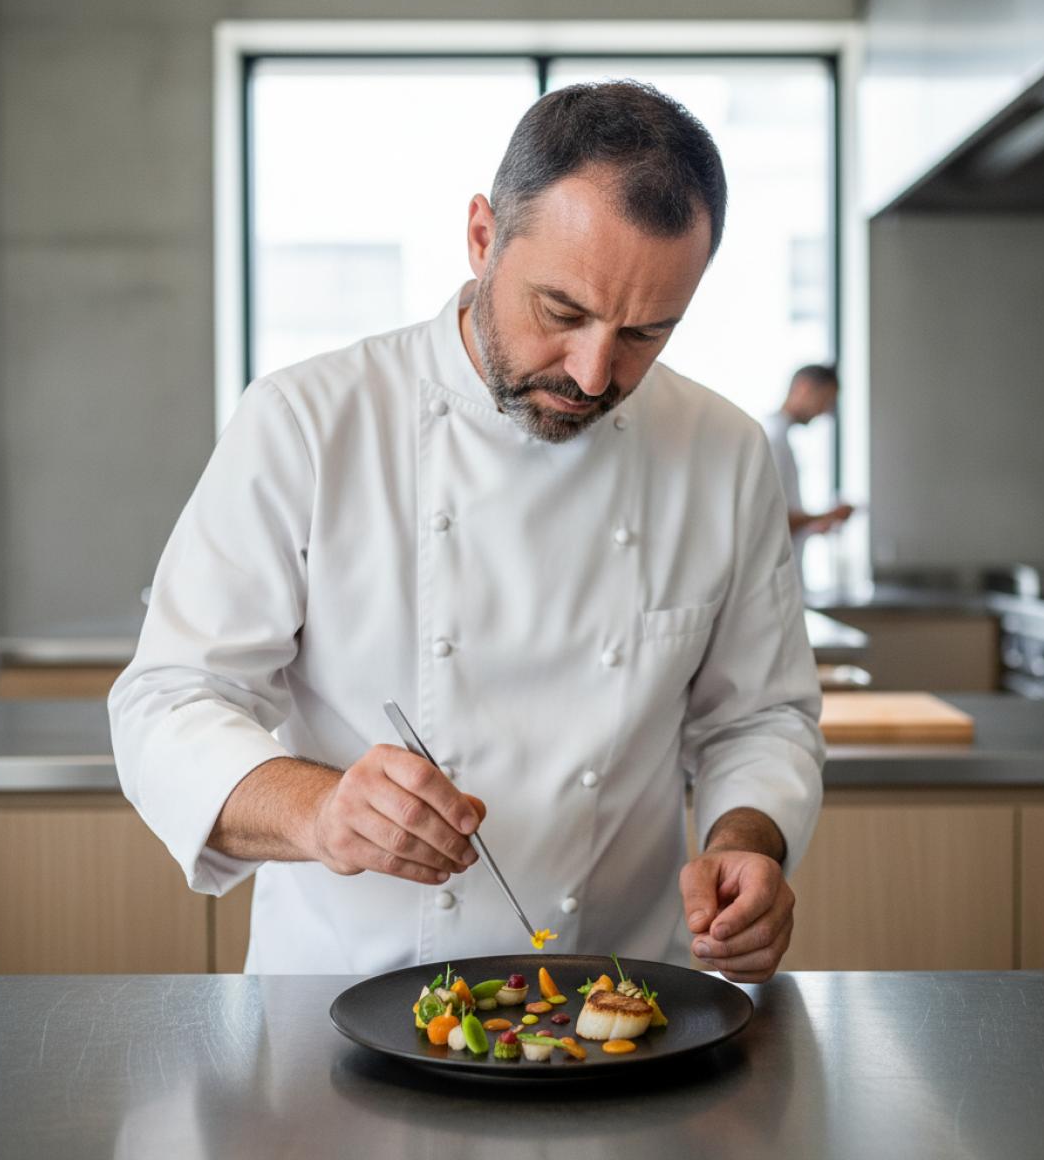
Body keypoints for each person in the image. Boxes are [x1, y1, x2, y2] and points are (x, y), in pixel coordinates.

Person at [109, 81, 824, 983]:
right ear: (483, 237)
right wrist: (319, 810)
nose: (594, 373)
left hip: (617, 1012)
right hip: (336, 1008)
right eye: (561, 312)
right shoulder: (309, 420)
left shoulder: (721, 452)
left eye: (645, 334)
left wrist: (748, 842)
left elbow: (758, 718)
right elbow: (167, 702)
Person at [762, 365, 854, 579]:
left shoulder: (781, 439)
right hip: (775, 582)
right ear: (803, 388)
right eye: (825, 399)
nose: (825, 410)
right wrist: (831, 514)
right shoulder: (772, 441)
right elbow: (772, 519)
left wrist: (813, 525)